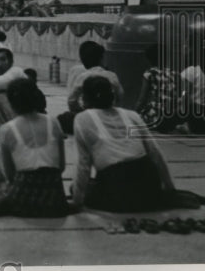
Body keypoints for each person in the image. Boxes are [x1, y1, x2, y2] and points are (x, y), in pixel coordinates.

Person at [71, 76, 177, 212]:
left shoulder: (82, 119)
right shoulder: (132, 115)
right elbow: (155, 153)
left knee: (80, 188)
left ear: (85, 98)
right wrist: (169, 188)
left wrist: (77, 200)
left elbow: (83, 165)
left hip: (117, 188)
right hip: (149, 185)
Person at [0, 79, 69, 219]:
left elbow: (9, 174)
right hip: (54, 197)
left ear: (10, 102)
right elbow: (61, 166)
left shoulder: (7, 129)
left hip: (23, 197)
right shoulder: (53, 121)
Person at [59, 41, 124, 135]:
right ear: (102, 58)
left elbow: (72, 100)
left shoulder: (82, 77)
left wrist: (79, 112)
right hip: (109, 113)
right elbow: (120, 95)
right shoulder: (111, 75)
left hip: (89, 115)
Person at [135, 44, 181, 133]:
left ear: (149, 59)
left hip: (157, 115)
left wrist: (133, 114)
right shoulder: (174, 73)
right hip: (173, 115)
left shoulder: (149, 73)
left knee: (140, 119)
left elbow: (142, 99)